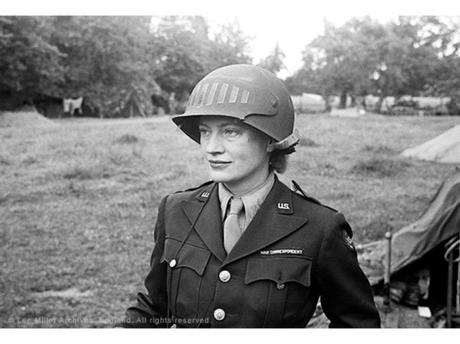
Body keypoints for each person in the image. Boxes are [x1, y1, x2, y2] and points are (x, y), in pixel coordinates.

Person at [123, 64, 381, 328]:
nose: (211, 148)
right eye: (204, 131)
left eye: (230, 131)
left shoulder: (319, 228)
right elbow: (154, 307)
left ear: (271, 140)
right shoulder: (176, 209)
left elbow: (358, 325)